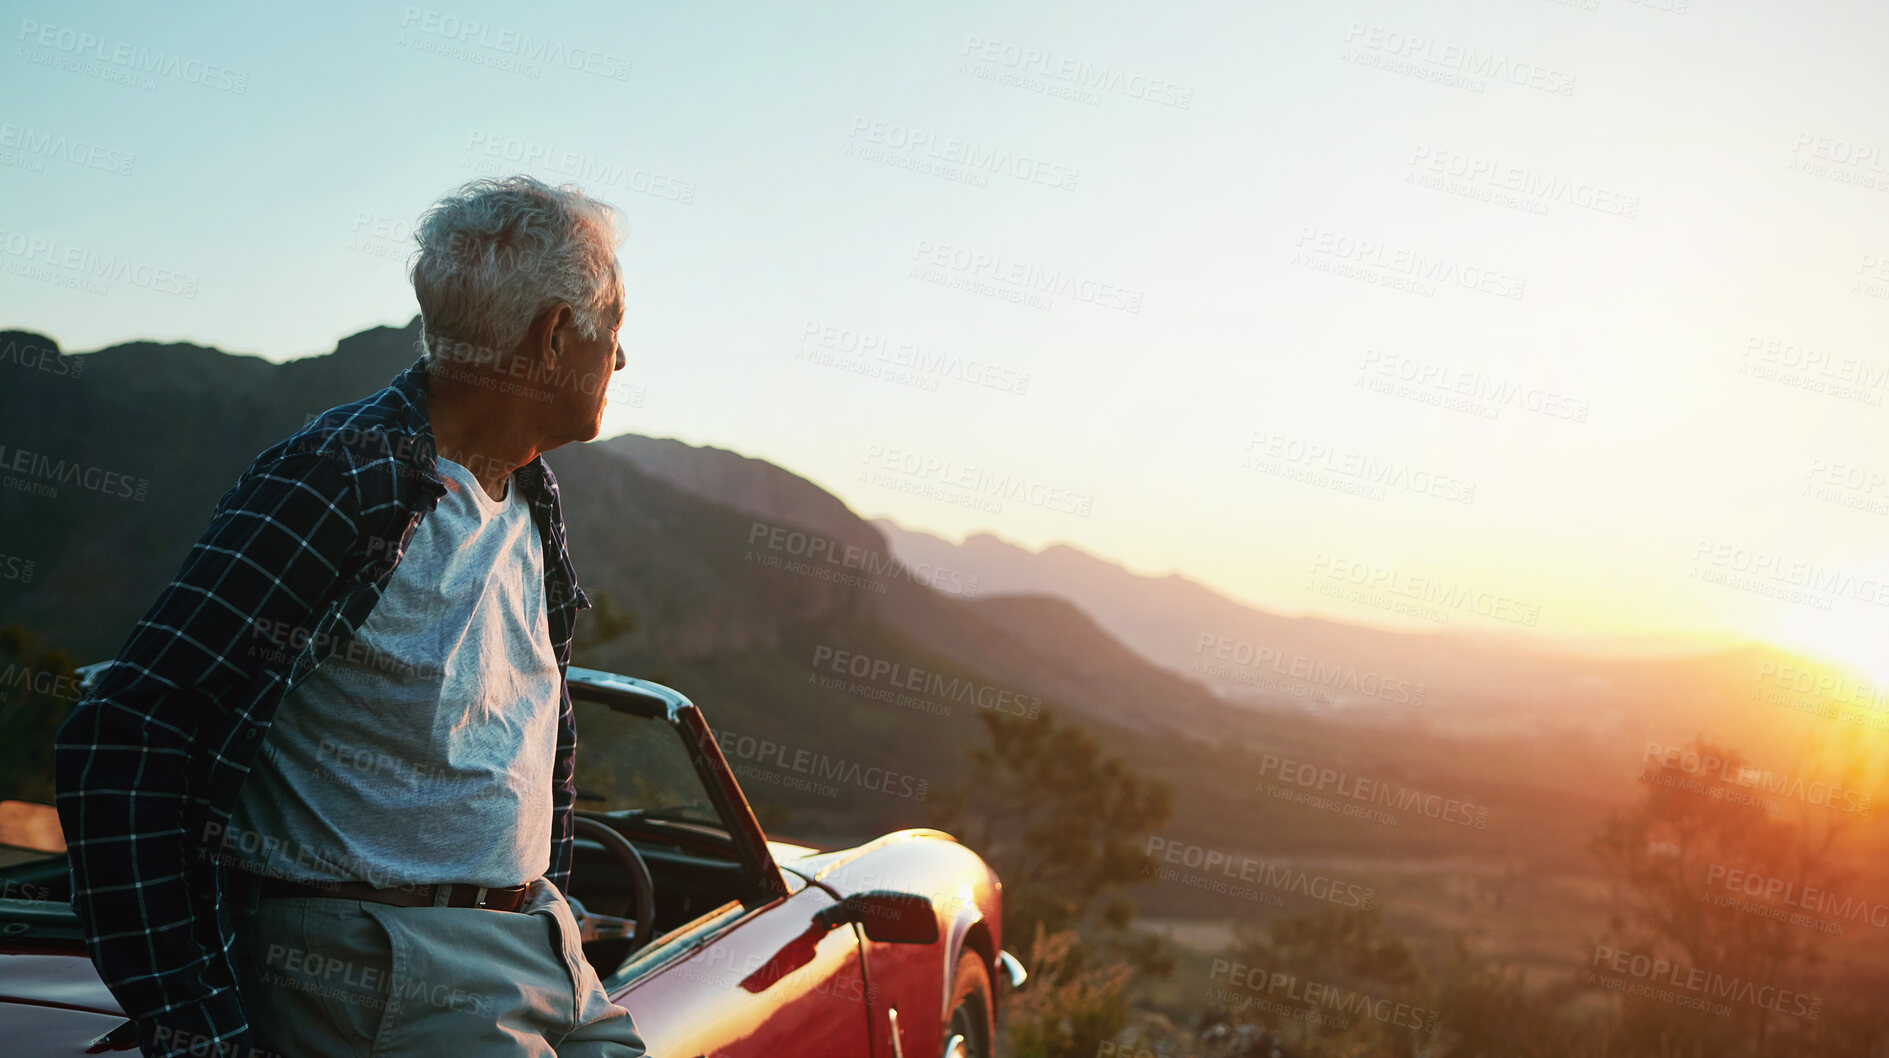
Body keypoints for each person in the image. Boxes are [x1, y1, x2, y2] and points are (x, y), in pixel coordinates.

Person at [55, 175, 647, 1058]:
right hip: (387, 974)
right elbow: (126, 731)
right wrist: (198, 1027)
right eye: (614, 330)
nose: (622, 360)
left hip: (537, 942)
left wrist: (549, 896)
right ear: (554, 336)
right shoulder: (341, 477)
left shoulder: (530, 491)